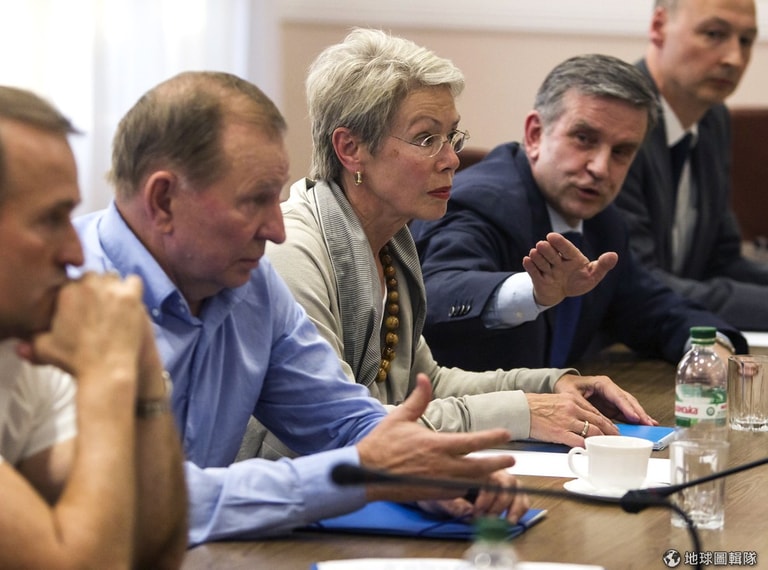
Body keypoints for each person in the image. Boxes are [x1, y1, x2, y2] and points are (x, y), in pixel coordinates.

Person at [72, 70, 532, 546]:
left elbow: (340, 419)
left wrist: (430, 467)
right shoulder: (62, 297)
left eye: (276, 198)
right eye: (255, 201)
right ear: (164, 200)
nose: (276, 229)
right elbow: (140, 501)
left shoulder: (251, 284)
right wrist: (363, 472)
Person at [262, 27, 655, 458]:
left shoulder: (390, 247)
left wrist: (551, 385)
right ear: (351, 148)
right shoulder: (292, 252)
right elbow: (340, 427)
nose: (451, 159)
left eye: (451, 137)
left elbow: (427, 384)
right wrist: (522, 411)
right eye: (426, 139)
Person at [411, 54, 747, 375]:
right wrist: (534, 291)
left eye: (621, 151)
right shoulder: (481, 202)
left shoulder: (604, 223)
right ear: (535, 135)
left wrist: (711, 348)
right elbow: (437, 294)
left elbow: (654, 310)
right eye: (584, 139)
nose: (600, 168)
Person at [0, 86, 187, 568]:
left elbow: (153, 551)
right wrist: (108, 373)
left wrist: (143, 367)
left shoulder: (23, 347)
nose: (75, 252)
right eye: (50, 219)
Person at [614, 0, 768, 332]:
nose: (734, 58)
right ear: (658, 27)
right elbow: (638, 282)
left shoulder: (713, 118)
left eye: (746, 40)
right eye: (714, 34)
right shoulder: (618, 121)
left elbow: (722, 260)